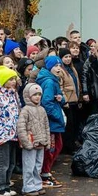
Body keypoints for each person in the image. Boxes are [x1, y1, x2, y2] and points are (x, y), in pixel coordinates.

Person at [0, 65, 21, 196]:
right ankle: (0, 187)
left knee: (11, 162)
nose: (14, 81)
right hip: (3, 134)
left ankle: (7, 184)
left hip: (14, 132)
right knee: (2, 162)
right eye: (10, 79)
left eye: (14, 78)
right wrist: (0, 133)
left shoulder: (14, 94)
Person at [38, 55, 67, 186]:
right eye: (55, 66)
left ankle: (46, 172)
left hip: (54, 122)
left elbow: (60, 98)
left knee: (57, 146)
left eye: (59, 65)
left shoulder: (53, 80)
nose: (58, 68)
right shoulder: (49, 82)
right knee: (51, 148)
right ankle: (44, 174)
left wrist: (61, 99)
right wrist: (58, 116)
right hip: (51, 122)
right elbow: (47, 103)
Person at [17, 82, 49, 196]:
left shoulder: (42, 109)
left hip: (41, 142)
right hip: (30, 143)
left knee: (38, 165)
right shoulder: (25, 110)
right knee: (29, 165)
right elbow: (21, 127)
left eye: (39, 94)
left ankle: (37, 184)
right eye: (34, 94)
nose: (37, 97)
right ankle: (28, 186)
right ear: (28, 96)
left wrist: (47, 141)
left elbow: (46, 126)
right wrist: (26, 142)